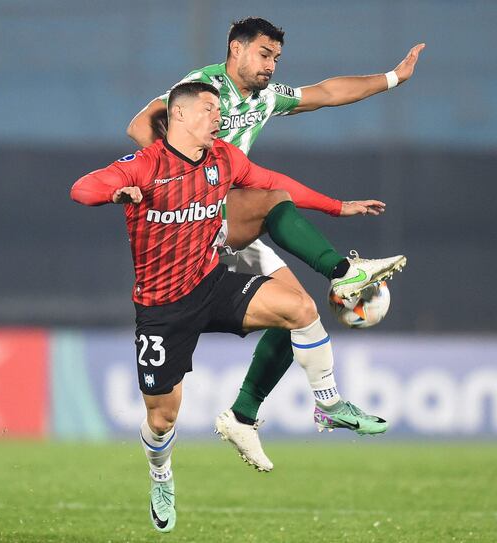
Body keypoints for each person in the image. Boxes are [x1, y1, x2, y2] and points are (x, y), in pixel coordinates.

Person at [72, 82, 397, 533]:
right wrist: (115, 193)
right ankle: (161, 474)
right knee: (162, 417)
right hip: (162, 309)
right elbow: (83, 188)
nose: (218, 117)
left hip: (212, 283)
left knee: (300, 310)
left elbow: (275, 186)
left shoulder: (224, 158)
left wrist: (337, 208)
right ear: (179, 115)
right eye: (209, 109)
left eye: (219, 110)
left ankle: (327, 402)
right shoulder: (146, 166)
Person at [127, 17, 425, 471]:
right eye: (264, 55)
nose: (271, 65)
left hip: (227, 220)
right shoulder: (202, 88)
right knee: (273, 203)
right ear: (236, 49)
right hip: (196, 217)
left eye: (276, 58)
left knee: (299, 310)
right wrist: (173, 179)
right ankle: (345, 272)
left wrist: (392, 78)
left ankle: (247, 415)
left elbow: (324, 93)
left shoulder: (265, 97)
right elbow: (139, 127)